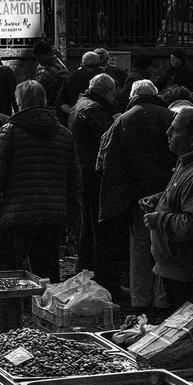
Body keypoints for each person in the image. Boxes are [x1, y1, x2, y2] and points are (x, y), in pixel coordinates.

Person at [0, 81, 83, 280]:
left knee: (3, 278)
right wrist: (72, 219)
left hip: (16, 216)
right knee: (46, 277)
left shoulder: (9, 132)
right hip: (52, 218)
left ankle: (6, 312)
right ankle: (42, 310)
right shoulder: (64, 134)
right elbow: (75, 183)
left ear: (19, 103)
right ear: (44, 100)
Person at [96, 80, 176, 310]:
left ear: (132, 96)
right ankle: (162, 298)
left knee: (139, 245)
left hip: (134, 193)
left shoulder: (121, 121)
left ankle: (140, 297)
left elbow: (103, 160)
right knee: (163, 245)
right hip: (165, 190)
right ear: (155, 94)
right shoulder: (169, 116)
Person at [142, 107, 193, 312]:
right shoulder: (188, 161)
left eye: (175, 130)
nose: (167, 134)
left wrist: (159, 220)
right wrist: (159, 200)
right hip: (180, 268)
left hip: (192, 273)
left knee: (191, 335)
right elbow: (184, 199)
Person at [68, 73, 117, 265]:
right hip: (94, 172)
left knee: (88, 222)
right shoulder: (94, 109)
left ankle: (86, 263)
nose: (114, 98)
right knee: (99, 225)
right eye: (113, 94)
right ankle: (100, 270)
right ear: (106, 91)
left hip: (82, 169)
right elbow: (109, 141)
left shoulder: (80, 104)